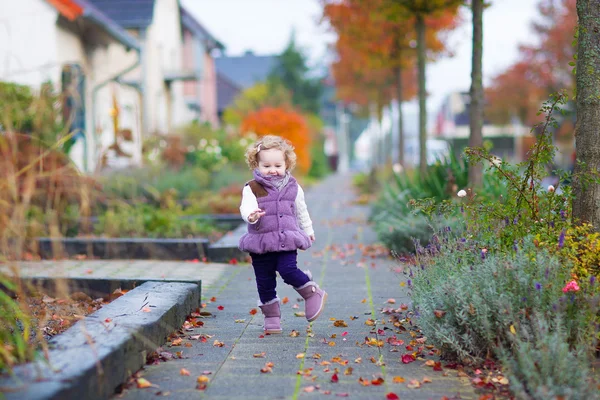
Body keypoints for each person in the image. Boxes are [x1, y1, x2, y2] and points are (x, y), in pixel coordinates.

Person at [238, 135, 327, 334]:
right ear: (256, 164)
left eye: (278, 165)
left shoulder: (294, 187)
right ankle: (271, 316)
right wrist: (251, 216)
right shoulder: (252, 188)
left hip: (287, 239)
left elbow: (301, 211)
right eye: (266, 166)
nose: (272, 170)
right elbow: (246, 207)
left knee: (287, 270)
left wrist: (308, 231)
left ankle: (311, 293)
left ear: (287, 163)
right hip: (261, 242)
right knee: (264, 280)